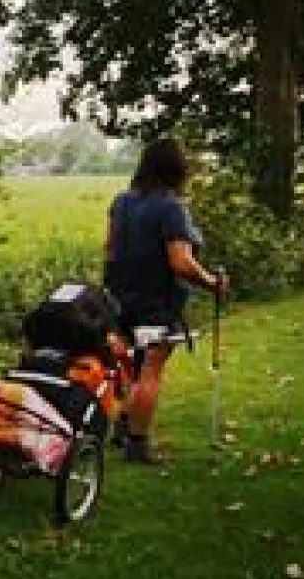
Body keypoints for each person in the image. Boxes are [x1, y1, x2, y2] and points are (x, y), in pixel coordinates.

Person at [103, 137, 228, 464]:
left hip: (118, 298)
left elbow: (109, 250)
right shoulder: (171, 207)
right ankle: (137, 445)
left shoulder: (121, 202)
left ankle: (122, 427)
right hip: (155, 302)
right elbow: (181, 263)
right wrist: (212, 282)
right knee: (150, 369)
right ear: (177, 170)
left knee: (130, 365)